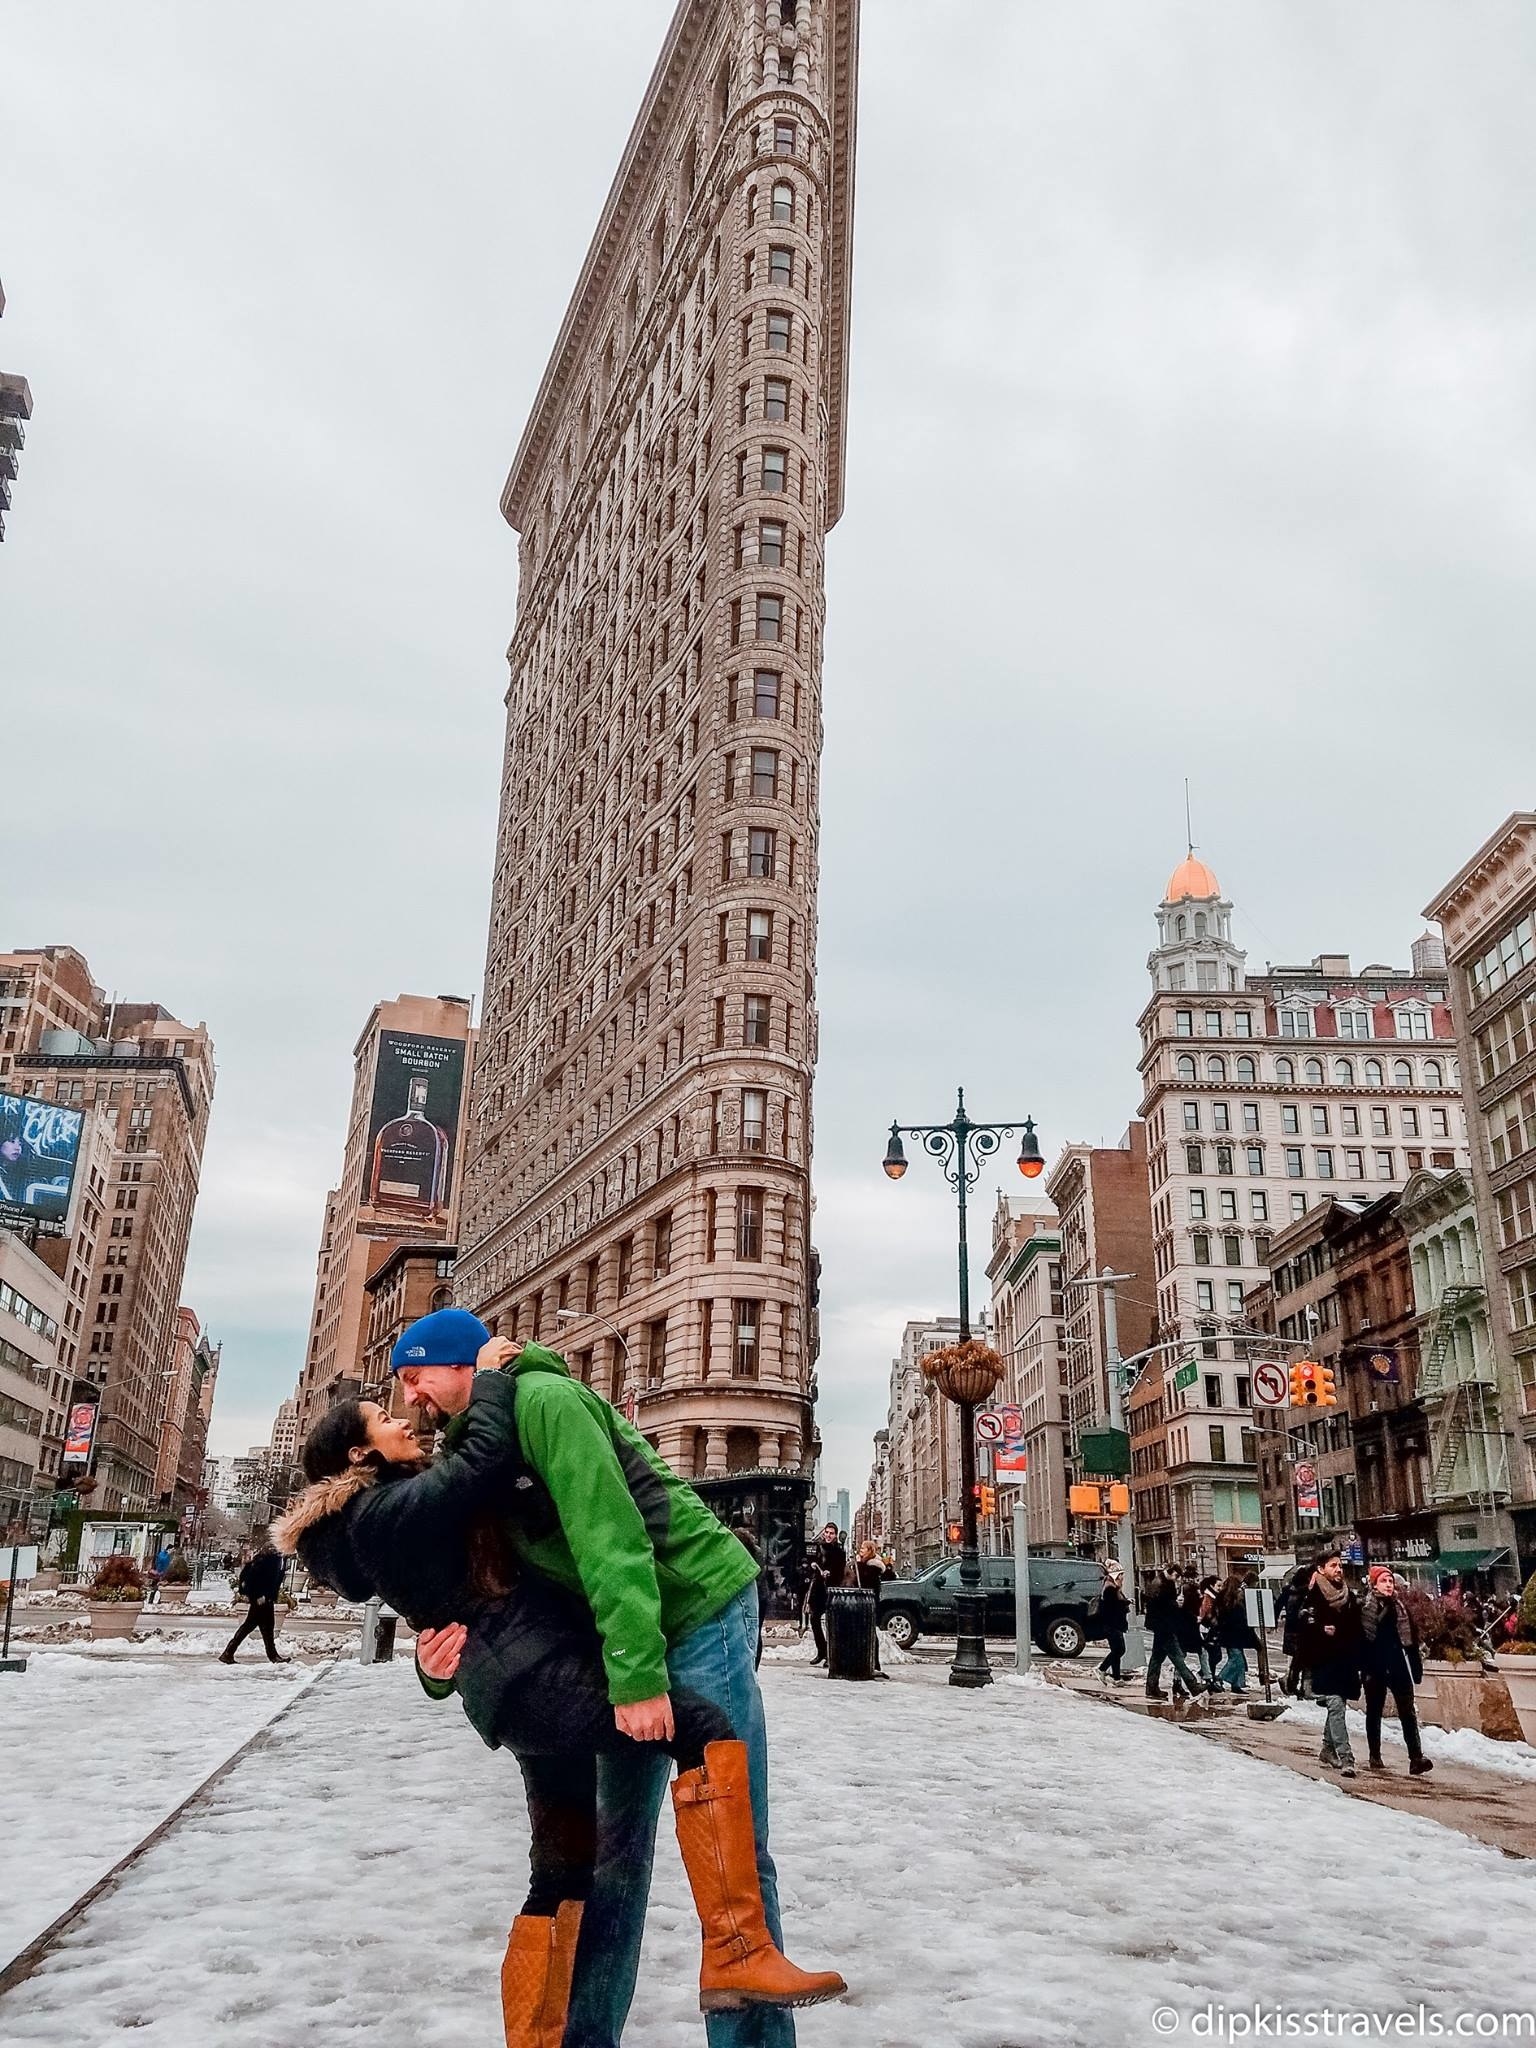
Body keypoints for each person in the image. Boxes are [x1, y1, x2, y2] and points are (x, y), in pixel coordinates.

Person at [276, 1374, 843, 2046]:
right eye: (381, 1416)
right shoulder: (386, 1511)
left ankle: (556, 2036)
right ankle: (737, 1953)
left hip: (525, 1688)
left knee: (563, 1871)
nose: (402, 1416)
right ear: (358, 1456)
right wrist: (492, 1375)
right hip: (537, 1680)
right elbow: (483, 1458)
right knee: (699, 1730)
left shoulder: (386, 1512)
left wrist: (433, 1667)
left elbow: (453, 1600)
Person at [1295, 1552, 1364, 1777]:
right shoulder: (1313, 1596)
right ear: (1321, 1569)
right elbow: (1302, 1627)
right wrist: (1320, 1630)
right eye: (1333, 1565)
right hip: (1323, 1660)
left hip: (1345, 1660)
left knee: (1338, 1707)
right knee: (1334, 1704)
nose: (1338, 1569)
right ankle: (1346, 1757)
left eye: (1340, 1565)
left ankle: (1327, 1748)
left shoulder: (1348, 1596)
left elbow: (1356, 1627)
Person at [1361, 1566, 1433, 1778]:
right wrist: (1363, 1668)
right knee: (1374, 1711)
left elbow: (1411, 1640)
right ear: (1374, 1584)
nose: (1389, 1585)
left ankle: (1416, 1757)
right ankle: (1375, 1755)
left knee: (1407, 1712)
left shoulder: (1401, 1608)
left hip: (1397, 1664)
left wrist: (1416, 1668)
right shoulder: (1366, 1608)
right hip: (1375, 1666)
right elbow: (1362, 1641)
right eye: (1384, 1581)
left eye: (1391, 1581)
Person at [218, 1544, 288, 1663]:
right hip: (261, 1600)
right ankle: (228, 1653)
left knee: (266, 1628)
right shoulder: (263, 1563)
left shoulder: (275, 1561)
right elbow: (251, 1581)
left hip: (267, 1599)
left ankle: (273, 1656)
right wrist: (257, 1596)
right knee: (252, 1627)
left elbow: (275, 1580)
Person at [1143, 1569, 1201, 1699]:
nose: (1177, 1579)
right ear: (1171, 1573)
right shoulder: (1161, 1585)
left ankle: (1151, 1688)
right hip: (1165, 1626)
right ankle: (1193, 1685)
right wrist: (1177, 1604)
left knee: (1157, 1658)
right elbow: (1163, 1605)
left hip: (1161, 1626)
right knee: (1177, 1657)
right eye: (1176, 1576)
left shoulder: (1160, 1582)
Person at [803, 1523, 846, 1668]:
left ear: (835, 1535)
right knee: (814, 1619)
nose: (828, 1535)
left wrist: (830, 1574)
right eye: (827, 1532)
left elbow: (841, 1572)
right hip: (818, 1589)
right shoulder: (819, 1548)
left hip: (831, 1590)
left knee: (831, 1623)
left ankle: (831, 1655)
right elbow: (809, 1563)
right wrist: (813, 1566)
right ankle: (822, 1650)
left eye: (831, 1533)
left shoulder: (839, 1551)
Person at [1212, 1572, 1258, 1693]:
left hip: (1228, 1635)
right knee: (1236, 1660)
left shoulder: (1224, 1599)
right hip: (1234, 1636)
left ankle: (1236, 1684)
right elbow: (1240, 1619)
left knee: (1238, 1659)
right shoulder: (1234, 1602)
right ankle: (1219, 1679)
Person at [1176, 1574, 1214, 1689]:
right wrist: (1196, 1619)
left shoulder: (1184, 1605)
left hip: (1185, 1634)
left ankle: (1177, 1681)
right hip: (1190, 1633)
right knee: (1201, 1653)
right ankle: (1207, 1678)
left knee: (1181, 1656)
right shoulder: (1190, 1605)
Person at [1096, 1562, 1131, 1683]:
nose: (1122, 1577)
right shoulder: (1110, 1588)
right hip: (1113, 1624)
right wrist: (1126, 1602)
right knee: (1120, 1650)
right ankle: (1102, 1668)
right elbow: (1113, 1606)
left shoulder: (1109, 1586)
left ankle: (1116, 1677)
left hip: (1112, 1624)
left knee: (1116, 1650)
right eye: (1121, 1574)